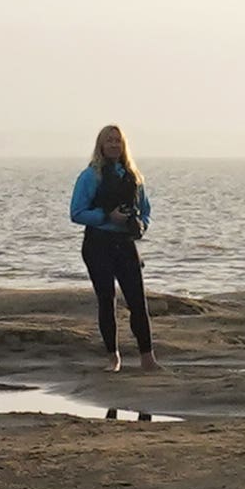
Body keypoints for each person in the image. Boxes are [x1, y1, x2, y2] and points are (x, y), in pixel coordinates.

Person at [73, 123, 156, 368]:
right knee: (106, 299)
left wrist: (139, 224)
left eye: (117, 141)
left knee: (138, 301)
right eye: (109, 141)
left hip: (125, 243)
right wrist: (106, 217)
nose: (113, 145)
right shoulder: (90, 176)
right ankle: (113, 357)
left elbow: (146, 211)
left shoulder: (133, 176)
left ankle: (147, 357)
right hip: (98, 243)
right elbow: (77, 212)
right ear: (100, 145)